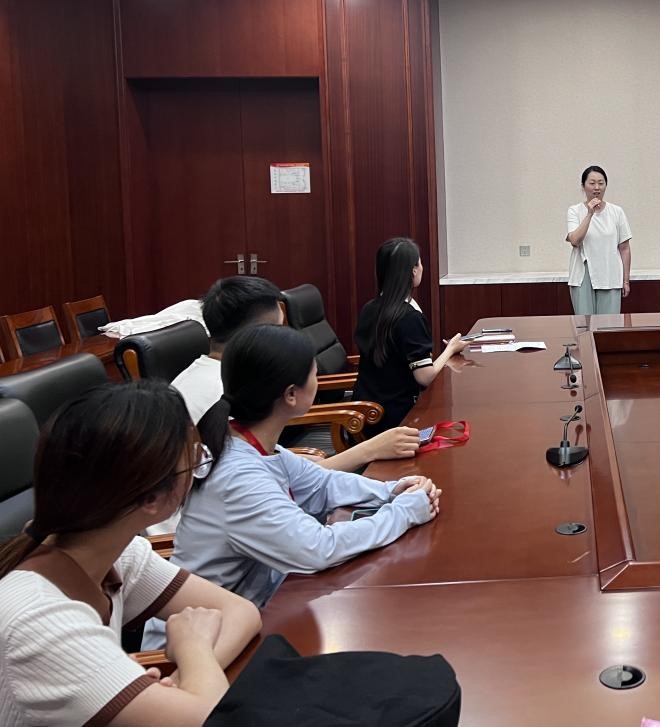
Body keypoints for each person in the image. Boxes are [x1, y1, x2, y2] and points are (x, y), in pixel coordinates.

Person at [0, 381, 260, 726]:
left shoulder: (119, 553)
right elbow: (207, 718)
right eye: (194, 461)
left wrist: (178, 693)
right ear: (151, 500)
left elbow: (242, 612)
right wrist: (193, 651)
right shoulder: (39, 621)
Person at [169, 324, 442, 612]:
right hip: (203, 632)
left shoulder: (252, 443)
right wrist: (403, 513)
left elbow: (323, 484)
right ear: (290, 395)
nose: (318, 378)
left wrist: (392, 490)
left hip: (255, 607)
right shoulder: (237, 476)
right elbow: (319, 549)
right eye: (314, 373)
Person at [174, 276, 422, 473]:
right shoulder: (231, 389)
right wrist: (371, 449)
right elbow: (264, 480)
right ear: (259, 334)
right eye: (279, 329)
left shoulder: (213, 374)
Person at [352, 238, 467, 434]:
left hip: (363, 415)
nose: (422, 268)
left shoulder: (368, 309)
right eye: (420, 263)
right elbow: (425, 377)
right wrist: (451, 350)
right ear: (413, 270)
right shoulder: (409, 317)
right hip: (396, 419)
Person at [565, 165, 632, 316]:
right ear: (583, 186)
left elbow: (624, 248)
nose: (597, 187)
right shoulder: (574, 210)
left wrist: (626, 280)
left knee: (609, 325)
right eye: (592, 183)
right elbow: (575, 240)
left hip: (610, 272)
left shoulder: (617, 211)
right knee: (585, 324)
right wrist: (590, 213)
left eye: (601, 183)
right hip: (583, 274)